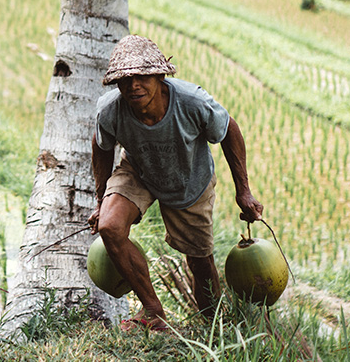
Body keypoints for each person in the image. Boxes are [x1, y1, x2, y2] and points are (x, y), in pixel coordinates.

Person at [87, 35, 264, 332]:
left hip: (189, 179)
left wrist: (243, 191)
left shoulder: (192, 102)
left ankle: (212, 327)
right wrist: (101, 199)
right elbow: (101, 145)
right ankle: (153, 311)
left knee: (200, 263)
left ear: (159, 75)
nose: (133, 86)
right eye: (125, 79)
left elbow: (229, 128)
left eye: (142, 77)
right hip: (139, 170)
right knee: (109, 226)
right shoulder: (111, 110)